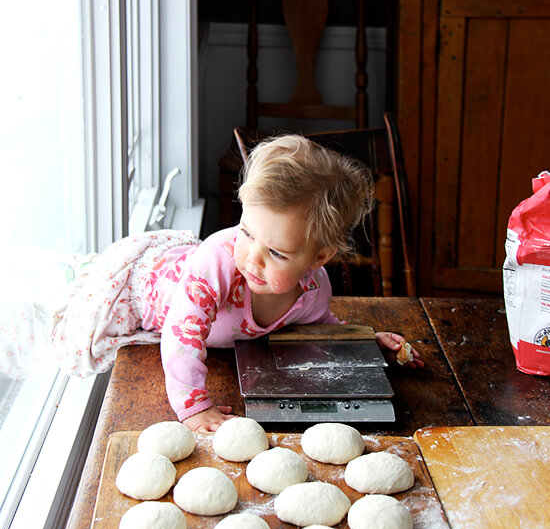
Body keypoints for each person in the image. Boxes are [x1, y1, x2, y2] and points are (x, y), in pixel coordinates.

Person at [51, 134, 423, 432]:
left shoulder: (314, 290)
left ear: (318, 258)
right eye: (246, 232)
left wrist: (361, 343)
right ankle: (77, 267)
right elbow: (181, 335)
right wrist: (195, 407)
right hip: (141, 285)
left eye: (276, 252)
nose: (252, 258)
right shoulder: (219, 261)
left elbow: (316, 329)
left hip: (180, 282)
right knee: (73, 301)